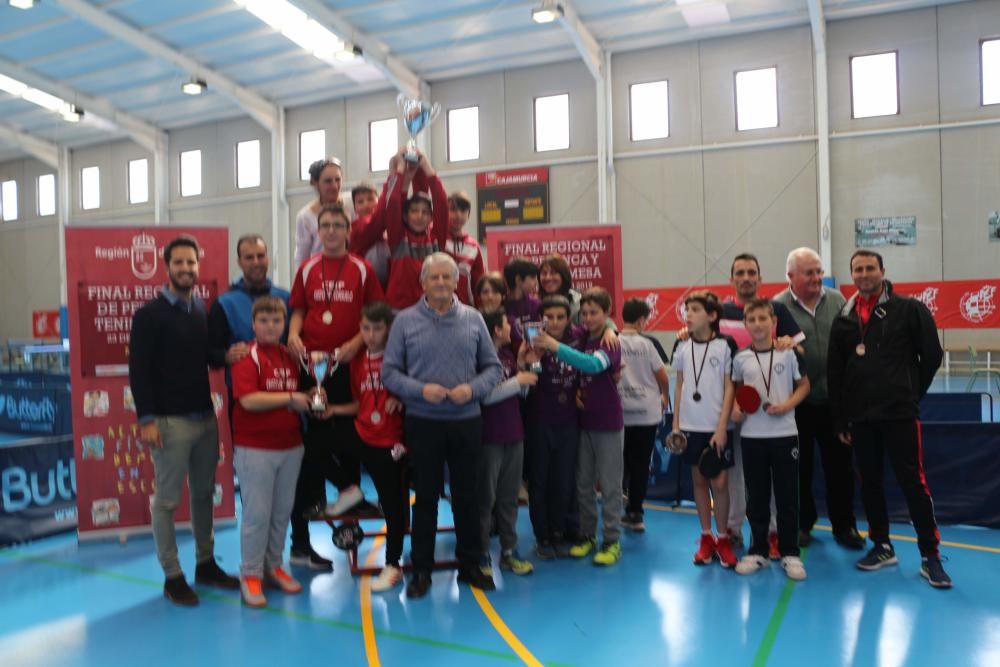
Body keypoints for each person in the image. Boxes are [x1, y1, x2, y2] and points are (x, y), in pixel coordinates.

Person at [381, 253, 502, 598]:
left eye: (446, 278)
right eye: (433, 278)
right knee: (427, 500)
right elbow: (389, 372)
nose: (440, 283)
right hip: (424, 422)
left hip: (467, 421)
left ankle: (471, 566)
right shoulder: (404, 322)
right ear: (423, 283)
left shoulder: (474, 319)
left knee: (469, 497)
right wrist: (421, 391)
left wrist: (472, 389)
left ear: (456, 282)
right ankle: (421, 570)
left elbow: (493, 369)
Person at [828, 250, 951, 589]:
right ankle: (882, 546)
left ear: (883, 271)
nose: (864, 274)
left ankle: (930, 556)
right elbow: (835, 372)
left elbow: (932, 356)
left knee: (913, 483)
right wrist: (841, 420)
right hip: (861, 418)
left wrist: (910, 394)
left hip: (899, 414)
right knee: (869, 482)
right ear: (851, 275)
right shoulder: (844, 318)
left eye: (870, 268)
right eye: (858, 269)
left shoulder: (909, 309)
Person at [129, 235, 239, 606]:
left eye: (191, 263)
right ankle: (172, 575)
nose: (186, 269)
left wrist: (229, 355)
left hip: (205, 418)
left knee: (204, 494)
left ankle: (205, 563)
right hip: (169, 423)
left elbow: (206, 356)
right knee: (167, 501)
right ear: (166, 267)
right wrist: (147, 419)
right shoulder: (148, 316)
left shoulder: (199, 310)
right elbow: (139, 371)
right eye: (179, 263)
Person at [287, 204, 385, 570]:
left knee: (345, 432)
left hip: (346, 365)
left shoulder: (362, 269)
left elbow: (375, 317)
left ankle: (350, 502)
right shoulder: (308, 268)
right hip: (311, 366)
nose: (329, 231)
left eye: (336, 226)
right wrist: (294, 335)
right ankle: (323, 508)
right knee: (312, 436)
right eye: (324, 226)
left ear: (347, 231)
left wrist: (356, 344)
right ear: (318, 231)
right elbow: (298, 309)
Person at [773, 248, 865, 549]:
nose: (816, 278)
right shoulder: (777, 306)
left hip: (835, 401)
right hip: (796, 402)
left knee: (840, 468)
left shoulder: (838, 300)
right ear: (791, 277)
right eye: (808, 273)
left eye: (818, 271)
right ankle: (803, 524)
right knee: (800, 469)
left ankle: (845, 526)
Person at [718, 253, 804, 556]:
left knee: (770, 479)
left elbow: (799, 346)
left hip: (771, 414)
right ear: (732, 279)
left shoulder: (776, 309)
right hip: (733, 406)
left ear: (759, 278)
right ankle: (734, 528)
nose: (745, 277)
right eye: (739, 272)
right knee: (739, 473)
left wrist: (787, 342)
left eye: (751, 272)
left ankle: (773, 533)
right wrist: (685, 332)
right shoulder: (721, 311)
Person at [533, 288, 625, 566]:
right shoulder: (584, 336)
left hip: (608, 423)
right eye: (584, 313)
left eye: (595, 313)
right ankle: (587, 535)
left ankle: (611, 540)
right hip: (583, 423)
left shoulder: (610, 343)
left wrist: (553, 345)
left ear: (606, 313)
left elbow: (591, 365)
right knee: (583, 485)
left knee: (609, 486)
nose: (588, 318)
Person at [230, 297, 311, 607]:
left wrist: (310, 395)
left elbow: (302, 391)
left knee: (281, 513)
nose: (270, 326)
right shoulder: (246, 356)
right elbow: (249, 400)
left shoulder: (289, 356)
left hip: (291, 446)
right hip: (256, 449)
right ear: (253, 324)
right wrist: (291, 397)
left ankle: (273, 565)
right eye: (263, 321)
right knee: (257, 515)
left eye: (277, 321)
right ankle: (250, 573)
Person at [731, 299, 811, 581]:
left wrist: (787, 405)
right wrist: (738, 409)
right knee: (757, 496)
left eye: (763, 319)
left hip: (785, 434)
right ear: (745, 324)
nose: (757, 324)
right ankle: (758, 551)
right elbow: (739, 390)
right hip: (752, 436)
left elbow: (804, 385)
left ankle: (790, 553)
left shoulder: (788, 353)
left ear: (773, 322)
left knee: (788, 496)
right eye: (751, 320)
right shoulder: (740, 358)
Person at [670, 291, 738, 569]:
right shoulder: (681, 344)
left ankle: (723, 537)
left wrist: (722, 427)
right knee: (698, 482)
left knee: (719, 483)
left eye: (695, 310)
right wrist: (676, 425)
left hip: (716, 426)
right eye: (687, 310)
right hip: (689, 425)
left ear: (712, 316)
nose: (688, 315)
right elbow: (679, 383)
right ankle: (706, 537)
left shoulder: (725, 345)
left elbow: (730, 385)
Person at [520, 295, 585, 559]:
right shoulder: (534, 336)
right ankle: (542, 535)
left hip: (569, 419)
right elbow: (533, 376)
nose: (555, 322)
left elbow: (601, 332)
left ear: (569, 318)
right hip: (539, 419)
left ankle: (559, 530)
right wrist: (532, 358)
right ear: (541, 319)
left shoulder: (579, 336)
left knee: (564, 479)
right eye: (550, 318)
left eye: (561, 317)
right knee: (540, 480)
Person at [350, 301, 409, 592]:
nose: (371, 334)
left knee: (393, 504)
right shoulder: (357, 360)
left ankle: (392, 563)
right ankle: (349, 492)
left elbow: (415, 388)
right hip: (364, 434)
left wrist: (403, 399)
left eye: (377, 328)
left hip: (392, 441)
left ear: (388, 329)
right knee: (319, 445)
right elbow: (357, 399)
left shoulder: (401, 359)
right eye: (366, 328)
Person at [207, 234, 291, 424]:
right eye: (249, 257)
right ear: (239, 262)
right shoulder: (224, 303)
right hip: (243, 398)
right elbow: (209, 352)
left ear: (268, 258)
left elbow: (294, 340)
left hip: (284, 391)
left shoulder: (286, 298)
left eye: (260, 256)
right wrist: (226, 356)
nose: (256, 262)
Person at [478, 308, 536, 577]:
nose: (511, 327)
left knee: (509, 498)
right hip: (489, 437)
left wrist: (523, 367)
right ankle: (480, 555)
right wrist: (517, 380)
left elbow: (521, 392)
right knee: (484, 499)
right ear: (496, 330)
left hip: (515, 434)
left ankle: (509, 551)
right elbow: (485, 396)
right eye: (506, 323)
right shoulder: (478, 358)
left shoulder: (507, 355)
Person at [617, 298, 670, 532]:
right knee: (640, 464)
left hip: (620, 412)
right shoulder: (648, 344)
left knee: (620, 463)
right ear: (641, 320)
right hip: (646, 414)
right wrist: (665, 395)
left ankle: (617, 505)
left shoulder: (611, 341)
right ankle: (635, 512)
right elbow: (662, 375)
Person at [381, 150, 450, 311]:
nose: (419, 216)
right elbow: (393, 204)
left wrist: (428, 168)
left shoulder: (436, 239)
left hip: (430, 309)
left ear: (431, 218)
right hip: (399, 311)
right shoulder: (398, 238)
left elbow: (441, 203)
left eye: (425, 212)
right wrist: (400, 172)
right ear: (405, 216)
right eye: (414, 211)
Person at [295, 157, 344, 269]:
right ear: (314, 183)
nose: (335, 186)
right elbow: (302, 256)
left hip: (352, 272)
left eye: (338, 180)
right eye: (328, 181)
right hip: (322, 274)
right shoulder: (305, 217)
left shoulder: (353, 205)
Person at [348, 181, 392, 290]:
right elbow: (377, 220)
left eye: (370, 199)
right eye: (360, 202)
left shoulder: (385, 227)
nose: (366, 204)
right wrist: (390, 185)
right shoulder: (356, 228)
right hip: (366, 287)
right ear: (355, 208)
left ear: (377, 200)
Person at [446, 191, 486, 307]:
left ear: (468, 215)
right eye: (453, 210)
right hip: (436, 306)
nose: (458, 215)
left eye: (463, 211)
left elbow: (478, 283)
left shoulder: (474, 246)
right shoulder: (436, 238)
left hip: (465, 308)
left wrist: (480, 309)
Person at [502, 257, 541, 346]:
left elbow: (534, 339)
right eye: (532, 277)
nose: (536, 282)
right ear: (518, 279)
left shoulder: (535, 305)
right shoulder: (500, 305)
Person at [538, 254, 582, 321]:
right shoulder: (535, 303)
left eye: (553, 273)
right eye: (544, 273)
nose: (548, 278)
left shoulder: (578, 300)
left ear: (564, 275)